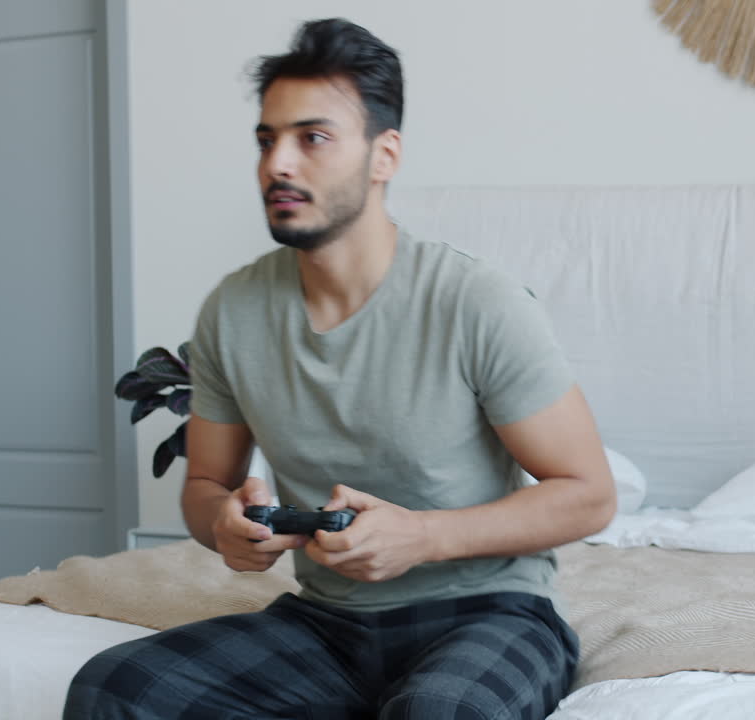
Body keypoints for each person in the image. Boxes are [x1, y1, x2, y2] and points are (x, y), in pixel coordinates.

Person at [65, 17, 616, 720]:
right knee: (114, 689)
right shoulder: (232, 312)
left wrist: (424, 537)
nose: (278, 165)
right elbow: (206, 486)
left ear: (383, 155)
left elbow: (589, 493)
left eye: (312, 138)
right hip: (326, 626)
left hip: (490, 612)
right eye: (268, 140)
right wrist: (225, 525)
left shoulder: (476, 301)